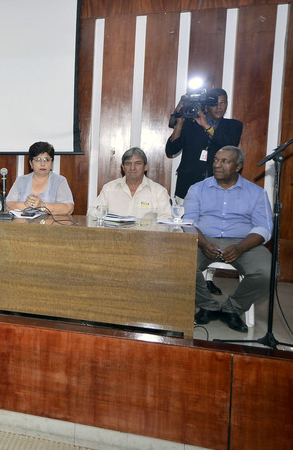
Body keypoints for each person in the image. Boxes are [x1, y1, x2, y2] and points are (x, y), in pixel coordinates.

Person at [185, 146, 272, 332]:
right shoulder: (197, 189)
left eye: (225, 161)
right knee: (179, 262)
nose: (217, 165)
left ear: (238, 166)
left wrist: (241, 248)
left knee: (269, 272)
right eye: (216, 160)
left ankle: (233, 308)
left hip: (244, 242)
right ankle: (207, 305)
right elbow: (188, 222)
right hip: (203, 240)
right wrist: (204, 244)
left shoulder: (257, 193)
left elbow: (264, 228)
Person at [165, 88, 242, 201]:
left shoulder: (233, 126)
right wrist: (179, 124)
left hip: (220, 189)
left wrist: (206, 126)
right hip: (188, 187)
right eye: (214, 103)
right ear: (206, 105)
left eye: (223, 103)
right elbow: (171, 150)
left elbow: (229, 147)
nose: (219, 107)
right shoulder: (191, 124)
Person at [90, 147, 173, 221]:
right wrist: (110, 219)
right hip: (113, 232)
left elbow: (167, 219)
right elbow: (92, 212)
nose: (132, 168)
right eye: (128, 163)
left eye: (138, 163)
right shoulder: (109, 188)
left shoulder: (159, 192)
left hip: (145, 233)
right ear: (123, 167)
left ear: (146, 166)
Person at [6, 141, 74, 214]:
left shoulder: (59, 181)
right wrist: (25, 205)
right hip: (23, 221)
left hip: (49, 222)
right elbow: (7, 205)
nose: (42, 164)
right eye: (38, 160)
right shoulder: (21, 180)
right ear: (31, 163)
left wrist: (42, 205)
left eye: (46, 160)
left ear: (51, 163)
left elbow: (68, 208)